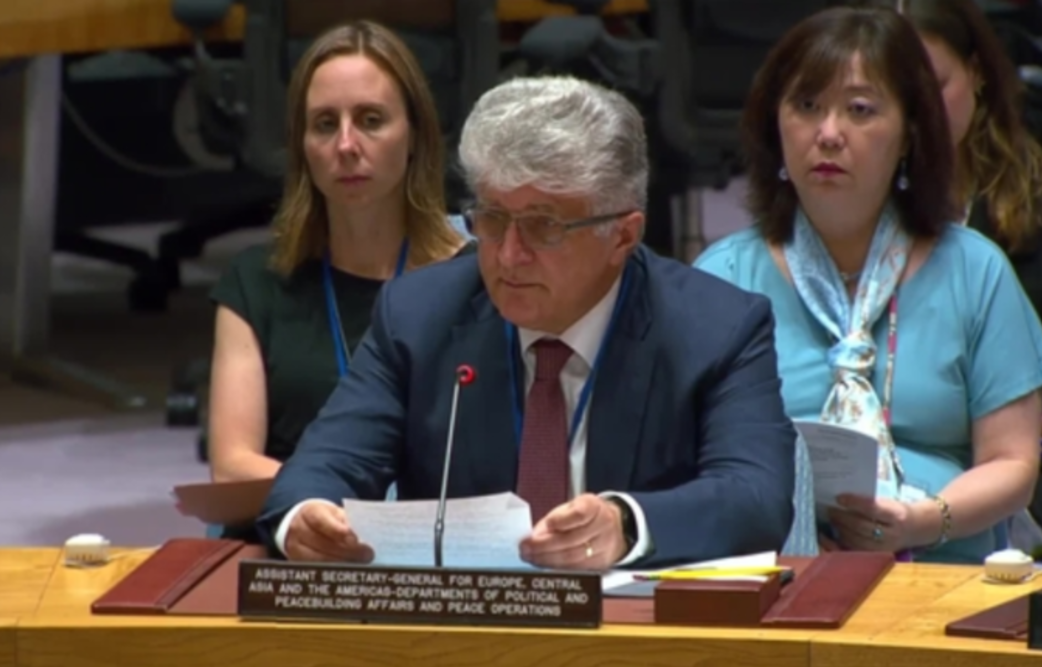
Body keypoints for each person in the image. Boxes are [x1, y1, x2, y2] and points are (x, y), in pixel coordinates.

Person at [255, 75, 798, 570]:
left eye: (544, 226)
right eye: (493, 219)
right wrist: (306, 518)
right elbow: (319, 469)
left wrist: (626, 524)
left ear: (623, 236)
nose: (509, 255)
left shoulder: (716, 329)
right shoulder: (418, 317)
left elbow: (756, 498)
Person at [694, 6, 1042, 564]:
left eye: (860, 110)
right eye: (807, 106)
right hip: (774, 574)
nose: (828, 134)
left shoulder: (975, 270)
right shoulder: (724, 277)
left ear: (908, 134)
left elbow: (1013, 463)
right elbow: (691, 459)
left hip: (943, 570)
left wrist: (923, 521)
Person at [207, 21, 471, 499]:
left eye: (371, 120)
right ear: (302, 146)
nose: (346, 145)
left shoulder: (474, 277)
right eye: (325, 124)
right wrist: (331, 505)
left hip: (434, 535)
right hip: (299, 527)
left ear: (414, 135)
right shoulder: (257, 281)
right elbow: (232, 467)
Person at [851, 0, 1042, 317]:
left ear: (976, 71)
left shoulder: (1033, 190)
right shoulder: (838, 201)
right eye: (890, 92)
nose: (917, 110)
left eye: (935, 86)